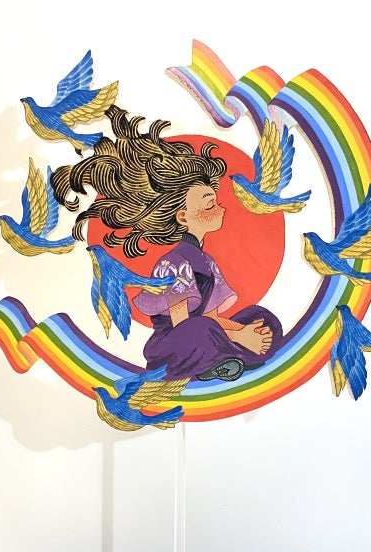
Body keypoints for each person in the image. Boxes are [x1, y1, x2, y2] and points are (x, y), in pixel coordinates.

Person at [52, 106, 282, 381]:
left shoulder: (207, 262)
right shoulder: (173, 264)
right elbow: (182, 324)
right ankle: (221, 360)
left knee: (262, 319)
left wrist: (244, 330)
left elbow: (213, 316)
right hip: (173, 346)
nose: (221, 208)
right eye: (210, 204)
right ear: (183, 217)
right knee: (201, 330)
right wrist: (239, 336)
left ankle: (227, 357)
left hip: (205, 334)